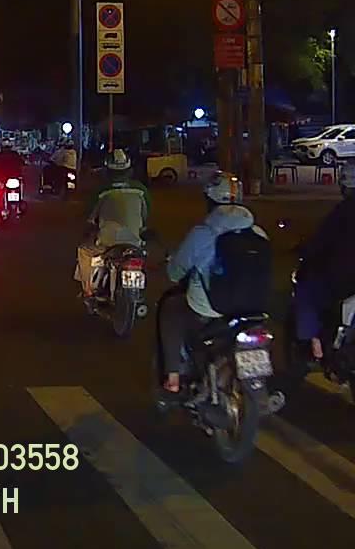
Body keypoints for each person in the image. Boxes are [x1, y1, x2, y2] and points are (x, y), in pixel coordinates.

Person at [158, 173, 269, 396]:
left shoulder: (203, 233)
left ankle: (173, 377)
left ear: (209, 200)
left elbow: (175, 272)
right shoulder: (258, 232)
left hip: (211, 310)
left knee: (170, 308)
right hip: (253, 309)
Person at [75, 150, 151, 299]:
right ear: (129, 170)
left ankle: (88, 292)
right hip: (134, 241)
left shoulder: (101, 191)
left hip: (107, 241)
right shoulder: (141, 190)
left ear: (107, 171)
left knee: (83, 251)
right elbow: (146, 215)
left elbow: (90, 218)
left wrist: (89, 230)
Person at [292, 188, 355, 361]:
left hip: (343, 277)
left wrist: (308, 254)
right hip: (343, 276)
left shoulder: (346, 209)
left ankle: (314, 345)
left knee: (306, 288)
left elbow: (322, 239)